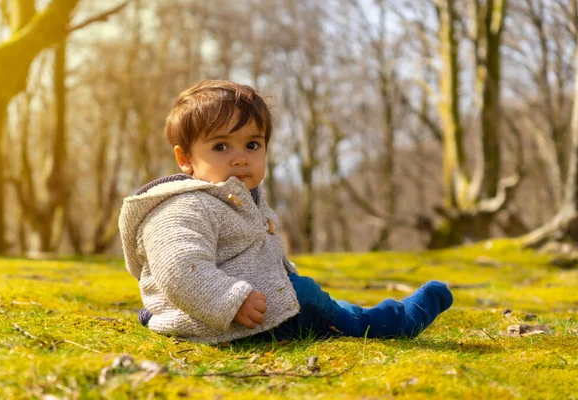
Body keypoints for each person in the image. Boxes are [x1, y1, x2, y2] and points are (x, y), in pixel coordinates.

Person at [119, 80, 453, 344]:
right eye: (220, 146)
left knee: (314, 297)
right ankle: (393, 322)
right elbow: (179, 268)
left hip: (239, 309)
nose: (240, 158)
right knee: (309, 298)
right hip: (231, 321)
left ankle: (350, 311)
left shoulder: (240, 198)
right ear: (185, 158)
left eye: (252, 145)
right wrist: (230, 300)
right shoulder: (182, 207)